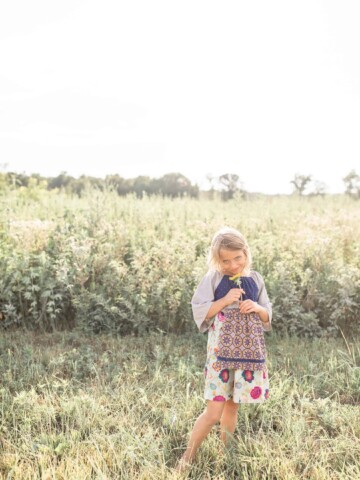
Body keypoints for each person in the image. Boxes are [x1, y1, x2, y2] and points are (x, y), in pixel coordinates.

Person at [176, 227, 272, 472]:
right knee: (213, 410)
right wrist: (225, 300)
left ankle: (225, 455)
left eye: (237, 258)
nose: (232, 265)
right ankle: (187, 457)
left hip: (246, 354)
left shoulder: (256, 279)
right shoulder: (214, 279)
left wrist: (256, 308)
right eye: (225, 260)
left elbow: (266, 313)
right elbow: (200, 310)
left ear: (246, 253)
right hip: (221, 355)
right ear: (216, 259)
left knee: (233, 406)